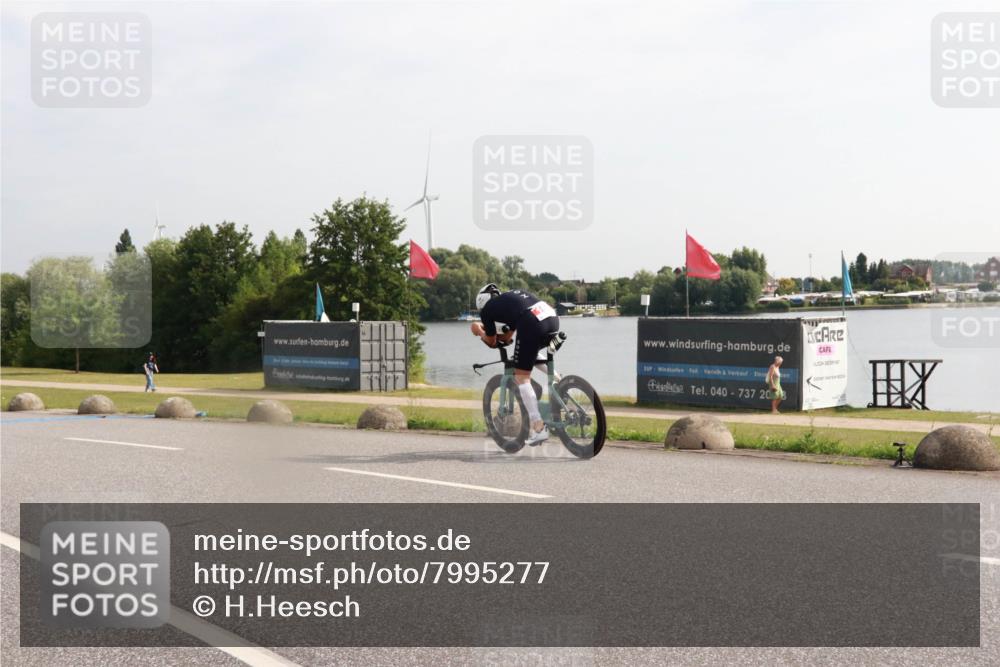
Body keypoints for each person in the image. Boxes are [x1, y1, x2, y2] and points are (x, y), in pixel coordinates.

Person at [471, 284, 559, 445]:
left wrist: (478, 330)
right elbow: (507, 336)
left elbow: (491, 341)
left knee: (521, 377)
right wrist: (502, 337)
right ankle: (560, 382)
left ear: (481, 302)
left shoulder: (487, 310)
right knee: (529, 351)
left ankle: (539, 427)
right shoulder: (510, 299)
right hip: (551, 318)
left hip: (532, 322)